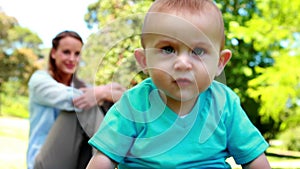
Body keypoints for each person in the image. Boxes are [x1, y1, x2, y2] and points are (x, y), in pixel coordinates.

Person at [86, 0, 272, 168]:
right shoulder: (134, 104)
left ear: (219, 63)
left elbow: (254, 159)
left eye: (198, 51)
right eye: (168, 49)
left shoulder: (224, 104)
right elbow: (104, 159)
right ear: (144, 61)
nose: (183, 63)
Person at [27, 30, 126, 169]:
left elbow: (125, 96)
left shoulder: (83, 86)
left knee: (102, 103)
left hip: (74, 160)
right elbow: (77, 99)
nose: (72, 58)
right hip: (44, 163)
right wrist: (103, 92)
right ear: (53, 53)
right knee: (83, 105)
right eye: (66, 52)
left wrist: (103, 93)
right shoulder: (40, 80)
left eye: (77, 54)